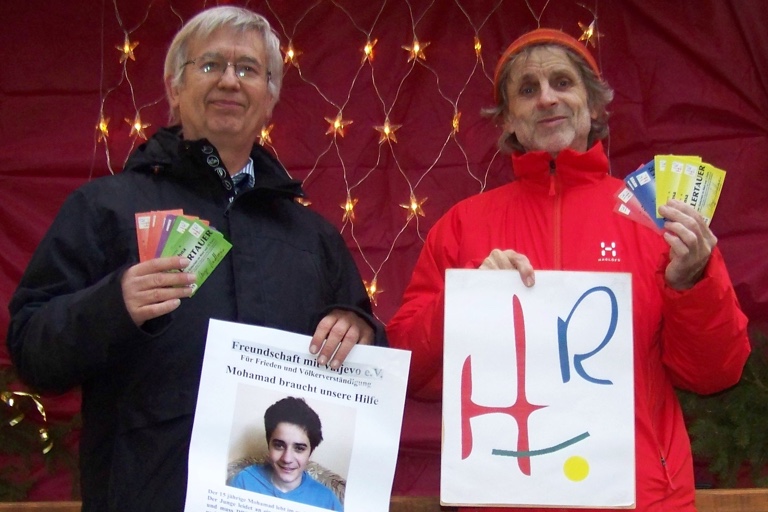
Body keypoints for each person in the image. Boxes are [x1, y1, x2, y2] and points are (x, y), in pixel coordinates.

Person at [6, 6, 385, 512]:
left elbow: (367, 362)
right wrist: (113, 304)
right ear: (174, 87)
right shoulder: (104, 209)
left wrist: (360, 329)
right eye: (210, 65)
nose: (229, 81)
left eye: (248, 69)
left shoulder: (312, 236)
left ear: (270, 98)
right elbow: (32, 351)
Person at [386, 28, 750, 511]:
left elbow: (715, 372)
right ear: (508, 120)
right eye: (527, 89)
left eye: (562, 82)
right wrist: (465, 297)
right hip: (503, 498)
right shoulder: (462, 227)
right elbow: (409, 371)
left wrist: (692, 283)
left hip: (639, 499)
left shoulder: (657, 219)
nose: (546, 99)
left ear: (594, 106)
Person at [229, 396, 343, 510]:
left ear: (310, 452)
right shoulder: (244, 481)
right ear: (269, 445)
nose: (287, 459)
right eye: (279, 446)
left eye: (299, 448)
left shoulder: (326, 500)